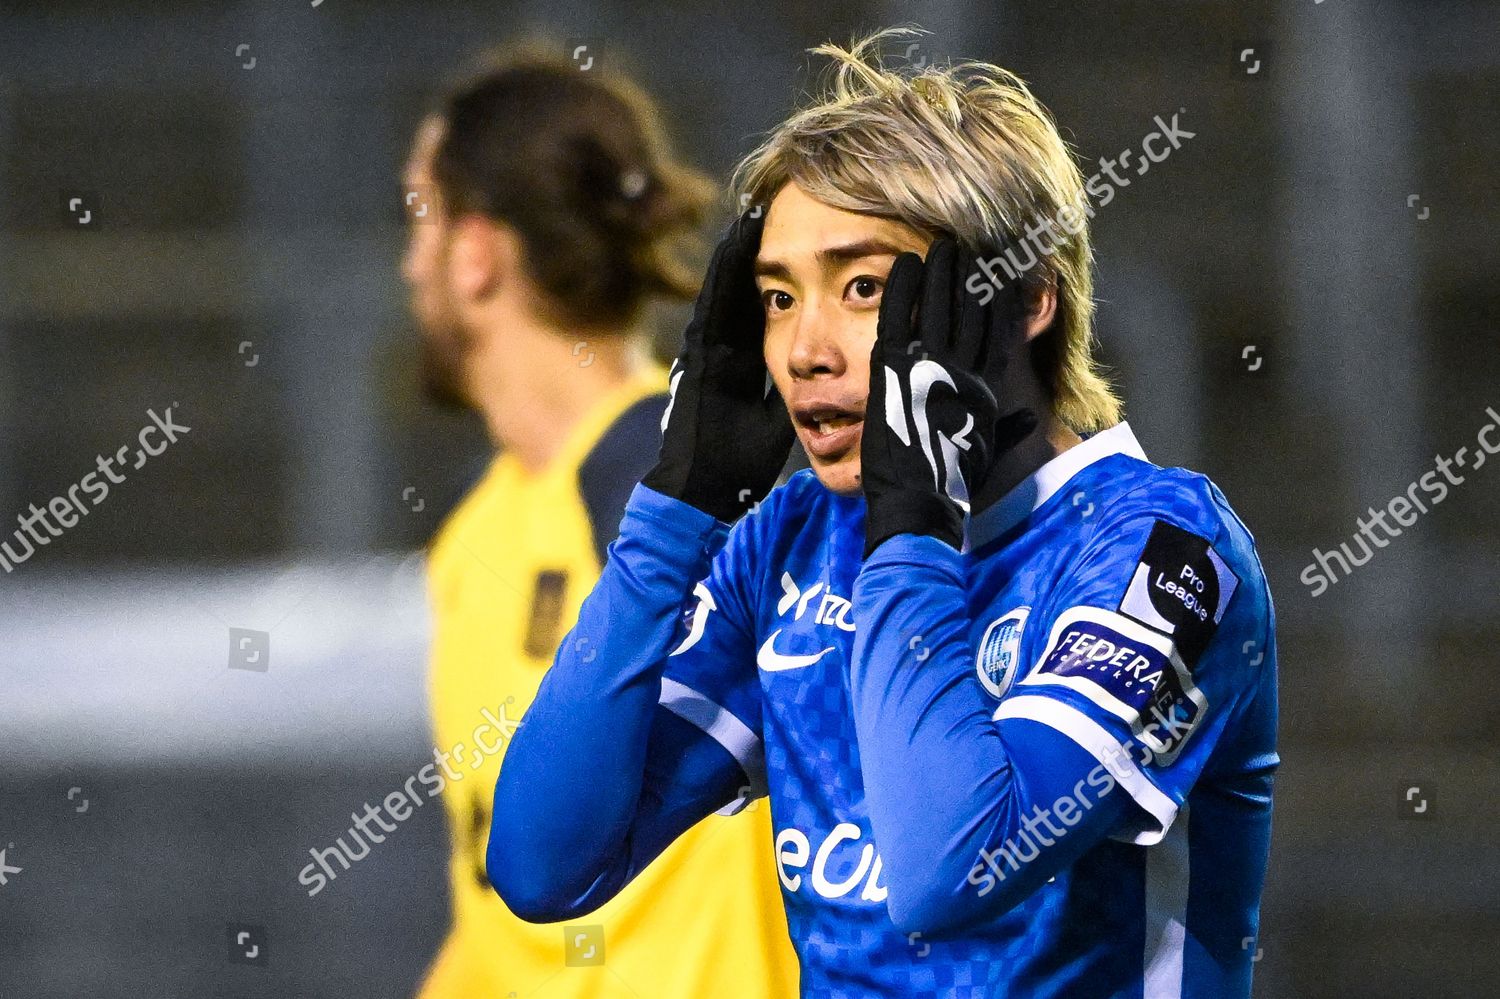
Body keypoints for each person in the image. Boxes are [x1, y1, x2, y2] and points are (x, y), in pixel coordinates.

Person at [489, 29, 1277, 998]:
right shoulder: (790, 541)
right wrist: (675, 517)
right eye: (778, 298)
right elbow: (542, 867)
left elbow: (952, 872)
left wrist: (911, 534)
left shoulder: (1162, 550)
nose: (803, 350)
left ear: (1023, 298)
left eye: (864, 288)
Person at [401, 47, 797, 999]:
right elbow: (500, 908)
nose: (408, 260)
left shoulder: (687, 503)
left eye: (419, 215)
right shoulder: (479, 531)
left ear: (477, 253)